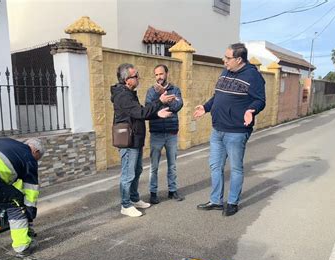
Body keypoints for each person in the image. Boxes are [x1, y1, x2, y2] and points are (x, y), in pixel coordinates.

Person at [193, 43, 266, 216]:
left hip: (237, 131)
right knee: (215, 166)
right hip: (217, 129)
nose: (224, 60)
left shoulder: (253, 76)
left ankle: (233, 202)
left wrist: (251, 110)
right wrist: (206, 107)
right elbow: (218, 95)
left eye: (227, 58)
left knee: (236, 168)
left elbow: (260, 100)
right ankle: (216, 201)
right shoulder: (226, 71)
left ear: (239, 59)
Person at [111, 63, 175, 217]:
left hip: (135, 140)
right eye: (135, 75)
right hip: (128, 141)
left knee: (137, 170)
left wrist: (157, 114)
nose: (138, 77)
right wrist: (160, 101)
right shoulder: (122, 95)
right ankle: (125, 205)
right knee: (128, 174)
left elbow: (141, 113)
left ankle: (133, 198)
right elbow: (140, 112)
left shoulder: (130, 93)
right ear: (127, 80)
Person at [145, 64, 184, 204]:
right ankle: (153, 193)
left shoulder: (175, 90)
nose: (159, 77)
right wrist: (159, 96)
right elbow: (148, 110)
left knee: (172, 165)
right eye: (156, 75)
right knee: (154, 166)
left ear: (167, 74)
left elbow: (178, 107)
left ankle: (172, 191)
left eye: (161, 74)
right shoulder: (151, 91)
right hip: (156, 133)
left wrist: (168, 97)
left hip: (171, 133)